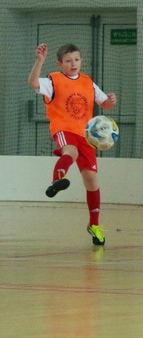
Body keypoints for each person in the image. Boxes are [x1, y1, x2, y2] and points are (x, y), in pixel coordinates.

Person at [28, 43, 118, 245]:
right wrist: (40, 61)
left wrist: (111, 100)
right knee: (71, 151)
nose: (73, 63)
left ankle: (94, 225)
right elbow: (33, 83)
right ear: (60, 64)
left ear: (81, 61)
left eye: (76, 59)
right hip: (63, 129)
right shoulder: (53, 80)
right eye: (68, 61)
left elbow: (105, 104)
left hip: (86, 135)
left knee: (91, 181)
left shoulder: (88, 81)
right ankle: (57, 181)